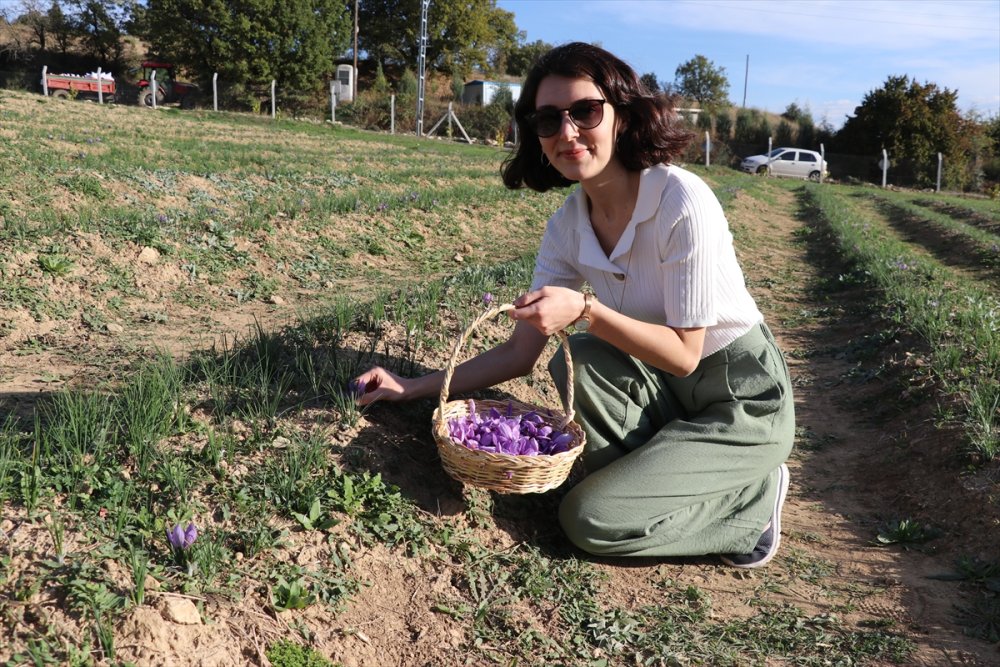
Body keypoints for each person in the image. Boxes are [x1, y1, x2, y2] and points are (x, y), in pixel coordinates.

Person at [353, 42, 795, 568]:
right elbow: (520, 355)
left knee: (589, 520)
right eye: (547, 119)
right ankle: (673, 476)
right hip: (663, 388)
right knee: (577, 356)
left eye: (584, 111)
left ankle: (752, 502)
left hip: (740, 400)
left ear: (621, 118)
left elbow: (684, 356)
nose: (567, 132)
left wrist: (586, 308)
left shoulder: (681, 199)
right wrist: (414, 387)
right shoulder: (568, 225)